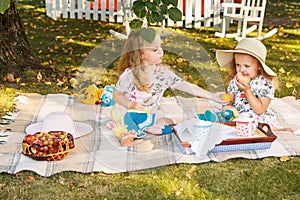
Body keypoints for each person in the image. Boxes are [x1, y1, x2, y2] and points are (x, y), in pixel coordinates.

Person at [111, 28, 225, 146]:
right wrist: (132, 104)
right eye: (155, 49)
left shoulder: (163, 73)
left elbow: (188, 86)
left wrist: (212, 96)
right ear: (140, 54)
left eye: (160, 47)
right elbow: (117, 95)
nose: (161, 51)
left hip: (150, 114)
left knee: (166, 120)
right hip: (129, 112)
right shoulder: (130, 74)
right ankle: (129, 136)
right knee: (127, 120)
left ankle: (156, 128)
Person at [216, 38, 293, 131]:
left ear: (259, 66)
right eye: (238, 65)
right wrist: (228, 105)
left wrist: (247, 90)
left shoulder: (265, 83)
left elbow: (260, 110)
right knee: (221, 118)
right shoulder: (235, 81)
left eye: (247, 66)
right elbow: (230, 100)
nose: (241, 69)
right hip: (239, 116)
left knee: (261, 127)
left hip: (259, 119)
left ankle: (275, 129)